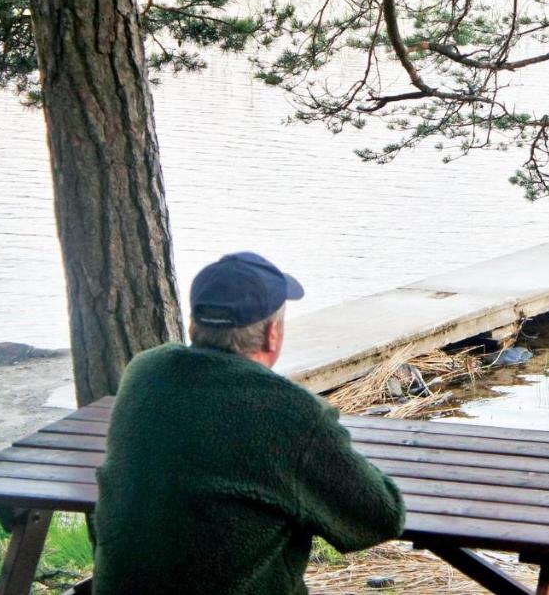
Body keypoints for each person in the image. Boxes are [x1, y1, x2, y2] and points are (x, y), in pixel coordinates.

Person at [93, 252, 405, 595]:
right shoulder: (291, 412)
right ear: (273, 334)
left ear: (195, 324)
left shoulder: (145, 372)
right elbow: (381, 518)